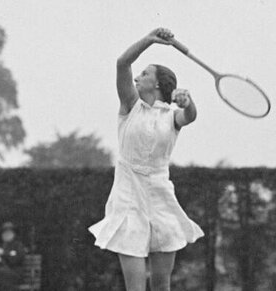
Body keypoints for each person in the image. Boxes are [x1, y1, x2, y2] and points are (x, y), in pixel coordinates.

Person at [87, 27, 206, 291]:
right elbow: (122, 63)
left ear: (158, 85)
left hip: (161, 197)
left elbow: (190, 116)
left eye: (144, 74)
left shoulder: (171, 117)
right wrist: (149, 40)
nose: (137, 78)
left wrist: (188, 101)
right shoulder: (130, 105)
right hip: (128, 197)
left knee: (162, 285)